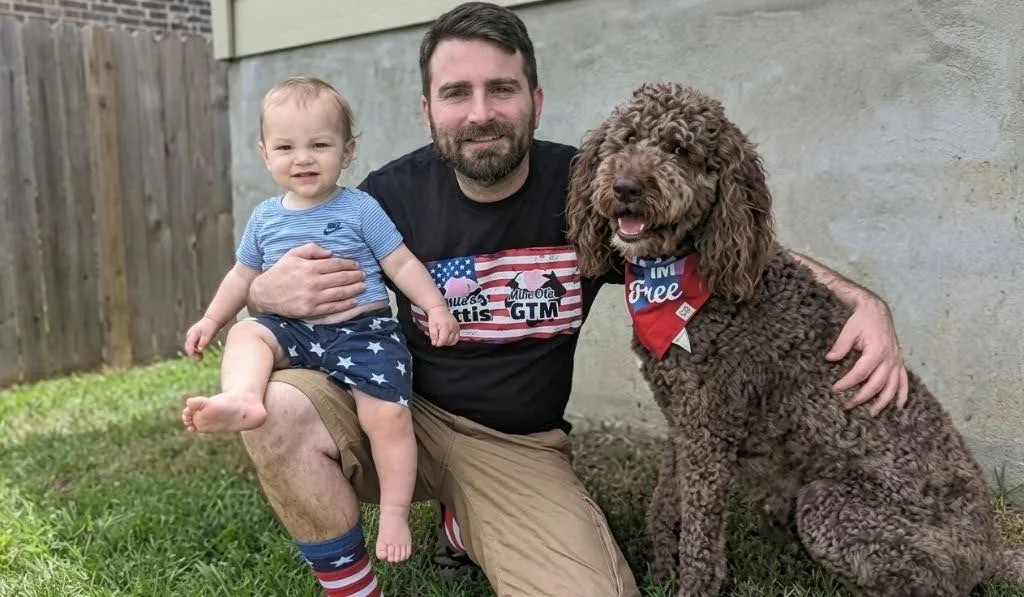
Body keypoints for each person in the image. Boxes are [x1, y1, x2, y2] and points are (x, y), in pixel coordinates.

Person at [239, 3, 910, 596]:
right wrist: (263, 293)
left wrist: (863, 303)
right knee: (276, 406)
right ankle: (351, 586)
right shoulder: (384, 198)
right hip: (396, 408)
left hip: (516, 446)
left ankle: (466, 518)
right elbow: (261, 287)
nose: (480, 113)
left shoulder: (595, 186)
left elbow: (734, 248)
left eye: (501, 89)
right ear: (428, 110)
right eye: (456, 93)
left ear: (535, 97)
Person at [180, 76, 459, 566]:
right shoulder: (265, 218)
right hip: (297, 331)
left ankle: (394, 513)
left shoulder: (360, 208)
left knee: (389, 417)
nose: (303, 158)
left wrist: (434, 306)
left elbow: (401, 264)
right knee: (249, 332)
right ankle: (243, 397)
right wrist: (211, 320)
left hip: (362, 332)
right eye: (286, 146)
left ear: (347, 151)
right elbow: (242, 276)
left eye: (320, 145)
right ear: (264, 153)